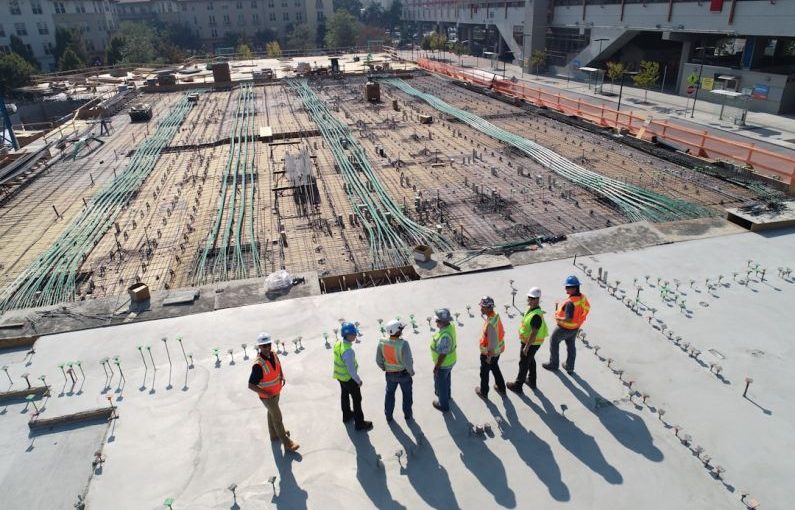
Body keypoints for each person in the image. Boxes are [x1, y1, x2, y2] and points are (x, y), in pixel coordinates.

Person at [248, 332, 300, 452]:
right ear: (259, 347)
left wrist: (281, 375)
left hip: (276, 391)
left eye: (268, 344)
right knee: (277, 417)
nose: (267, 348)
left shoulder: (274, 355)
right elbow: (251, 385)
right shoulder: (258, 365)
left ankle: (274, 435)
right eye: (264, 346)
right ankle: (287, 443)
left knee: (271, 413)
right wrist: (266, 394)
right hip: (267, 397)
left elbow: (278, 365)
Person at [543, 275, 591, 374]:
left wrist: (558, 317)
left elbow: (568, 318)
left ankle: (553, 364)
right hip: (575, 328)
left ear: (574, 288)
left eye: (567, 287)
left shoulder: (570, 303)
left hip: (563, 328)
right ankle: (569, 367)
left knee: (554, 342)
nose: (565, 289)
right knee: (571, 346)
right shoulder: (582, 298)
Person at [333, 322, 373, 431]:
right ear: (349, 335)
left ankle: (346, 416)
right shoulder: (348, 351)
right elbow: (351, 370)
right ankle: (359, 423)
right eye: (354, 334)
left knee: (344, 395)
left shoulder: (338, 344)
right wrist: (358, 381)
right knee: (357, 399)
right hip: (349, 379)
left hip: (339, 377)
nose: (355, 336)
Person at [507, 287, 548, 393]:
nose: (530, 300)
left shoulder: (536, 316)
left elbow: (534, 333)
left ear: (538, 299)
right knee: (530, 360)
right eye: (529, 298)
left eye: (532, 298)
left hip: (531, 343)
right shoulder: (531, 309)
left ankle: (518, 385)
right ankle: (532, 380)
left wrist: (526, 347)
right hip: (530, 342)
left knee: (523, 363)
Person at [376, 319, 415, 422]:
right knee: (407, 394)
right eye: (401, 329)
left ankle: (388, 415)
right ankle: (407, 414)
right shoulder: (403, 344)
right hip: (404, 374)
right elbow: (408, 362)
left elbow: (378, 359)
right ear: (397, 332)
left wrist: (384, 367)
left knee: (389, 394)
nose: (402, 330)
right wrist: (411, 372)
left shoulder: (382, 342)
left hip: (389, 375)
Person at [475, 296, 506, 398]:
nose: (481, 309)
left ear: (488, 308)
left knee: (484, 373)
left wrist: (488, 358)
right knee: (495, 367)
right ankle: (501, 387)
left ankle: (484, 392)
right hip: (497, 351)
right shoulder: (495, 316)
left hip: (489, 354)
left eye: (483, 307)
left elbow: (491, 343)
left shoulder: (490, 324)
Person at [430, 308, 457, 412]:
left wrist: (436, 367)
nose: (436, 322)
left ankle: (443, 405)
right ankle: (448, 396)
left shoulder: (445, 336)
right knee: (446, 378)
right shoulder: (450, 327)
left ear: (444, 321)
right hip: (450, 362)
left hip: (444, 364)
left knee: (441, 384)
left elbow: (442, 354)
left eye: (438, 320)